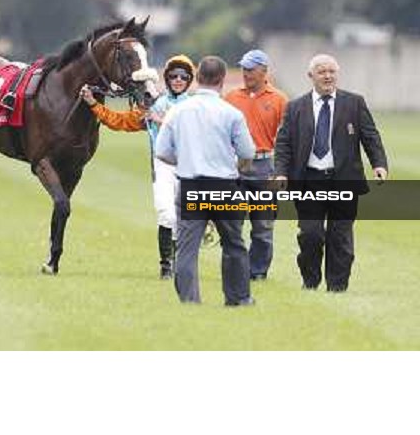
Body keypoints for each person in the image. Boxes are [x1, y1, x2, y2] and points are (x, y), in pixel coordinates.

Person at [274, 54, 388, 292]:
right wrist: (281, 173)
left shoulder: (354, 103)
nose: (327, 76)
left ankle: (337, 287)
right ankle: (310, 281)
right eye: (322, 72)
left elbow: (370, 136)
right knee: (310, 235)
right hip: (309, 180)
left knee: (340, 236)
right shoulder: (296, 107)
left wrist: (379, 164)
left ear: (337, 74)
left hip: (344, 180)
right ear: (311, 76)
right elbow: (284, 143)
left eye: (332, 72)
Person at [79, 55, 196, 279]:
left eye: (183, 76)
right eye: (173, 76)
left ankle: (181, 263)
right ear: (167, 79)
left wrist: (162, 121)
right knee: (166, 214)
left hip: (191, 168)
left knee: (184, 219)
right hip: (162, 166)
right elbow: (119, 121)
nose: (178, 80)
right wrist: (93, 104)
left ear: (190, 80)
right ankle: (166, 267)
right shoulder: (154, 105)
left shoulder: (195, 106)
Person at [156, 56, 256, 307]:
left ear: (197, 77)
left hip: (191, 184)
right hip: (224, 184)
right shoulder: (231, 113)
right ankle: (238, 298)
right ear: (222, 80)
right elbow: (247, 153)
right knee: (233, 243)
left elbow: (162, 151)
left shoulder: (177, 111)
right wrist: (237, 168)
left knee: (187, 248)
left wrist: (185, 160)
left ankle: (190, 300)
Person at [225, 49, 288, 281]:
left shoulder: (279, 99)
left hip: (265, 167)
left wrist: (282, 171)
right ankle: (236, 268)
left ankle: (258, 271)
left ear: (264, 72)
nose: (246, 73)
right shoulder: (231, 97)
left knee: (263, 227)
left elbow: (286, 139)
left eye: (251, 69)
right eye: (244, 69)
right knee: (232, 224)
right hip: (235, 168)